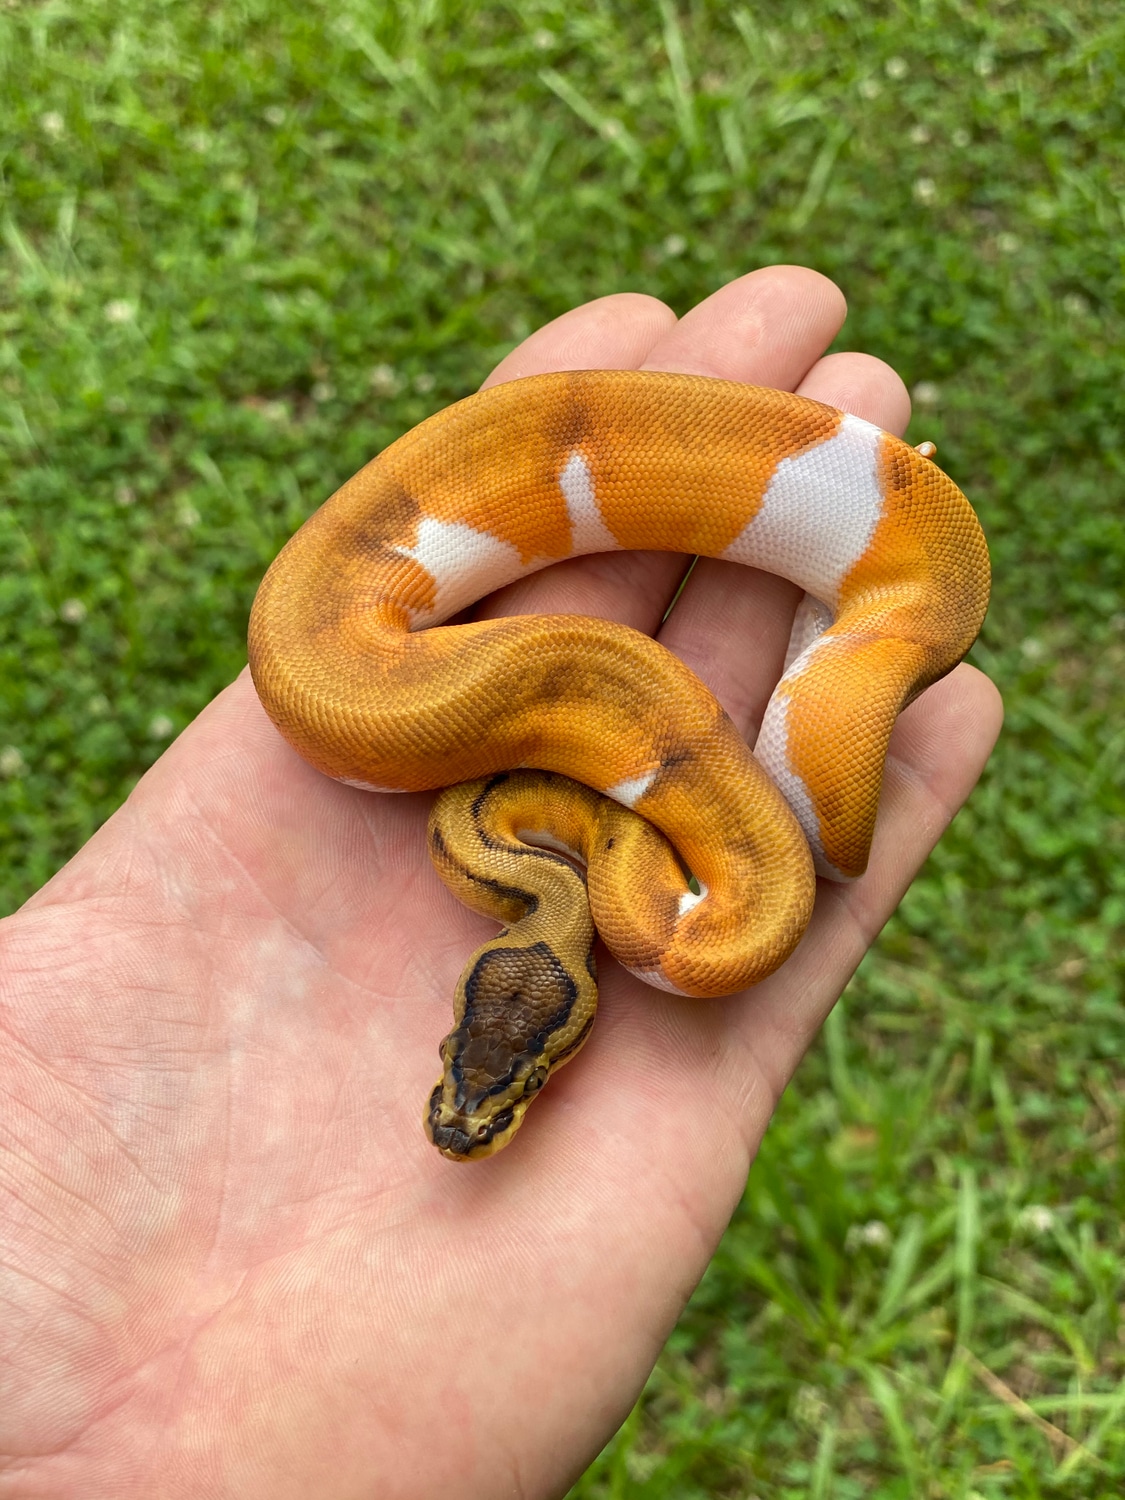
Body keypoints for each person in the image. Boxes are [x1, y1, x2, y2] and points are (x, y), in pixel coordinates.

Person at [0, 266, 1002, 1498]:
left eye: (493, 1073)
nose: (476, 1104)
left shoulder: (597, 883)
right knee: (807, 819)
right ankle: (857, 618)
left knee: (824, 794)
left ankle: (873, 599)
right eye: (512, 1079)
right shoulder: (646, 905)